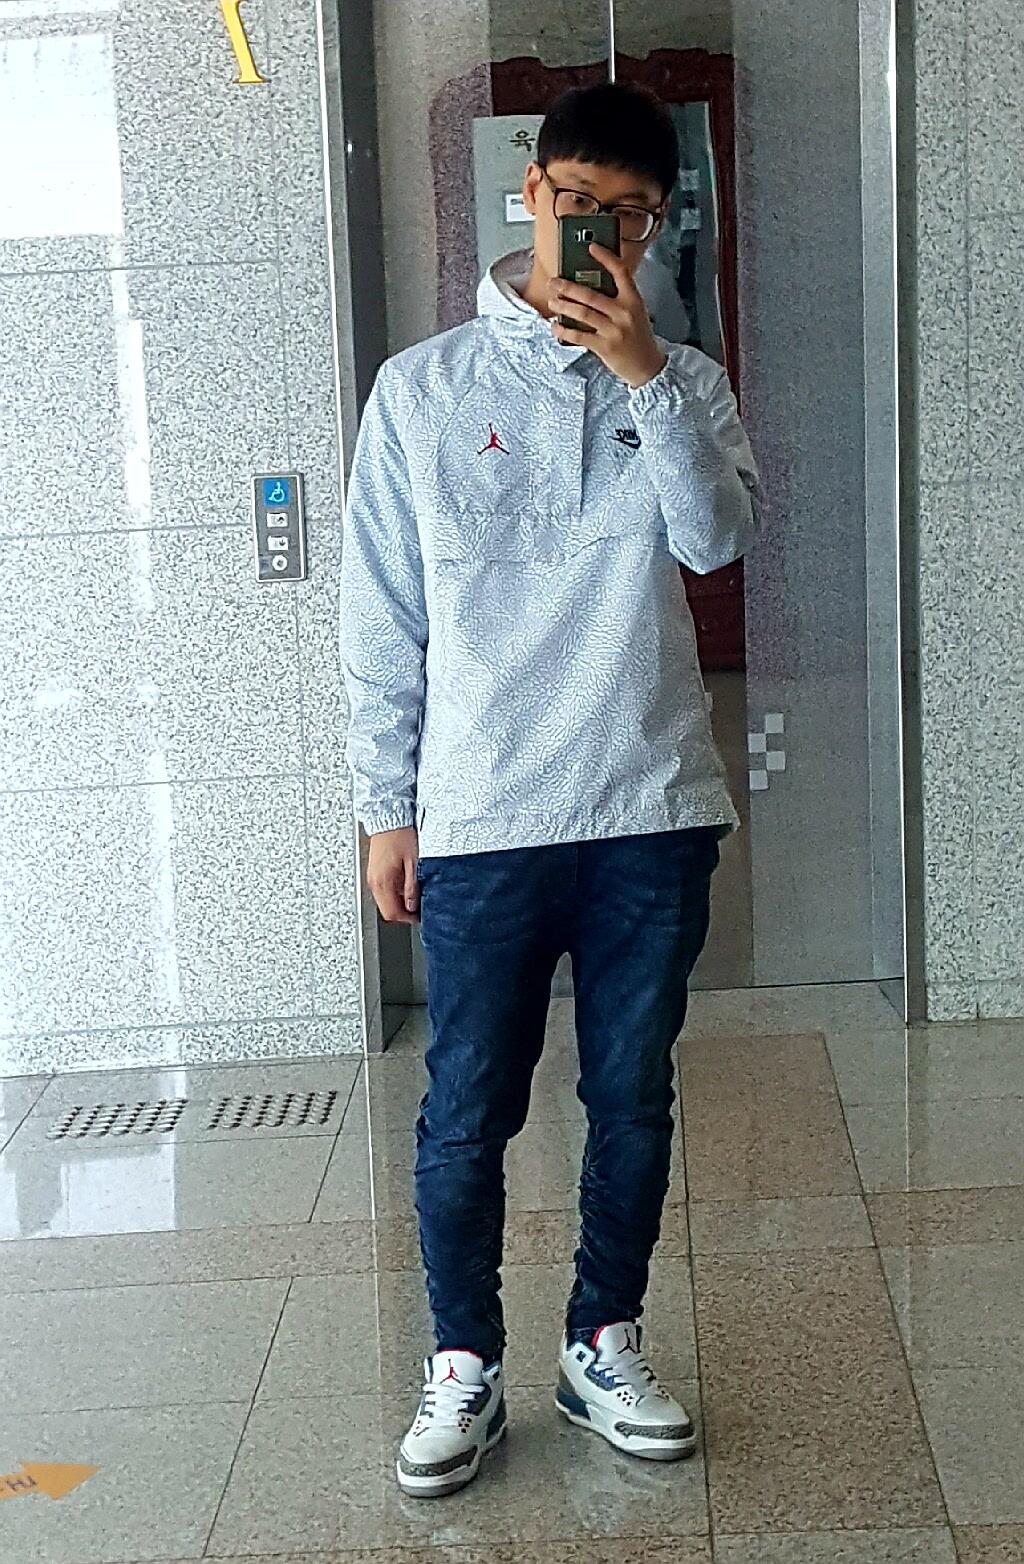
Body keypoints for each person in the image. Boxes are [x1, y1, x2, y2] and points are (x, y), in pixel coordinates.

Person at [340, 80, 758, 1499]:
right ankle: (462, 1360)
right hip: (481, 814)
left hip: (651, 802)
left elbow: (714, 543)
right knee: (467, 1106)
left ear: (658, 226)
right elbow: (382, 614)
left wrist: (647, 378)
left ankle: (602, 1339)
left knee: (631, 1096)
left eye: (628, 216)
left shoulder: (686, 383)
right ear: (530, 191)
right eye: (578, 203)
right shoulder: (422, 390)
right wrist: (386, 804)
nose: (598, 234)